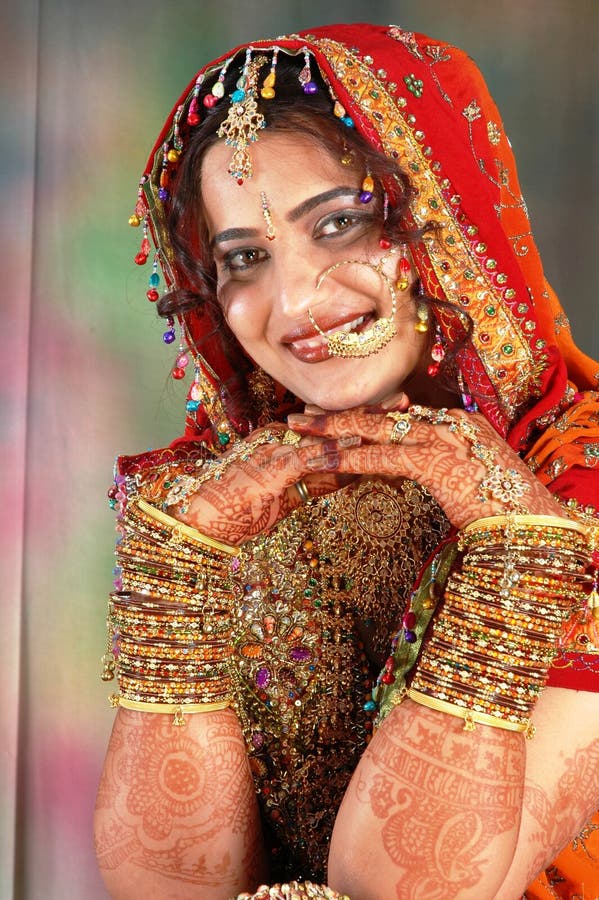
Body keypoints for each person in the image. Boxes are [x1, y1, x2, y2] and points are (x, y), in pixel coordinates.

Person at [94, 23, 599, 900]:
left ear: (447, 219)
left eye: (339, 223)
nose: (291, 300)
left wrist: (515, 548)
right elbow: (167, 888)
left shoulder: (576, 474)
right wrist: (178, 574)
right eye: (244, 257)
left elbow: (408, 889)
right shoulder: (209, 499)